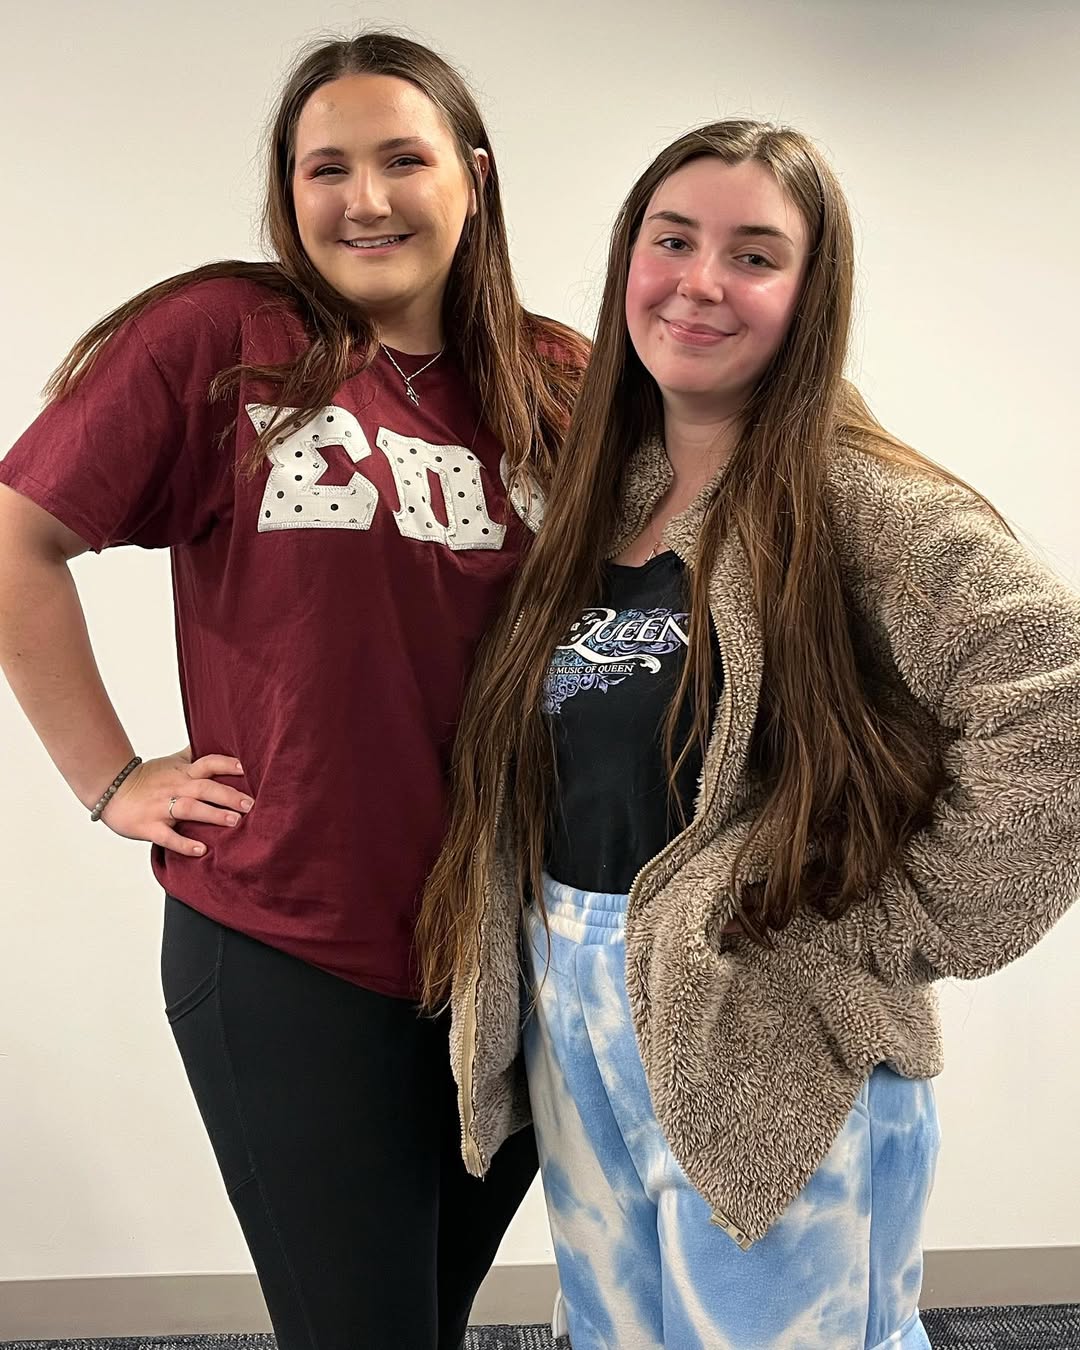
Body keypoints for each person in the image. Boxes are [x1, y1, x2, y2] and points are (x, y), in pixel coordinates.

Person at [418, 119, 1080, 1349]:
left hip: (765, 1027)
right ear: (629, 261)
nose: (701, 282)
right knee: (615, 1334)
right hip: (582, 1010)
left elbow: (1061, 698)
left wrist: (886, 930)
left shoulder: (859, 497)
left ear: (810, 292)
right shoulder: (604, 493)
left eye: (755, 255)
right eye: (672, 241)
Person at [0, 32, 586, 1350]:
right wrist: (112, 777)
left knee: (421, 1315)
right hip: (291, 940)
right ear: (288, 189)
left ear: (474, 177)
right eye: (327, 168)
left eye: (402, 160)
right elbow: (15, 539)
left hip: (512, 944)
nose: (365, 199)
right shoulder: (225, 339)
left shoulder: (560, 376)